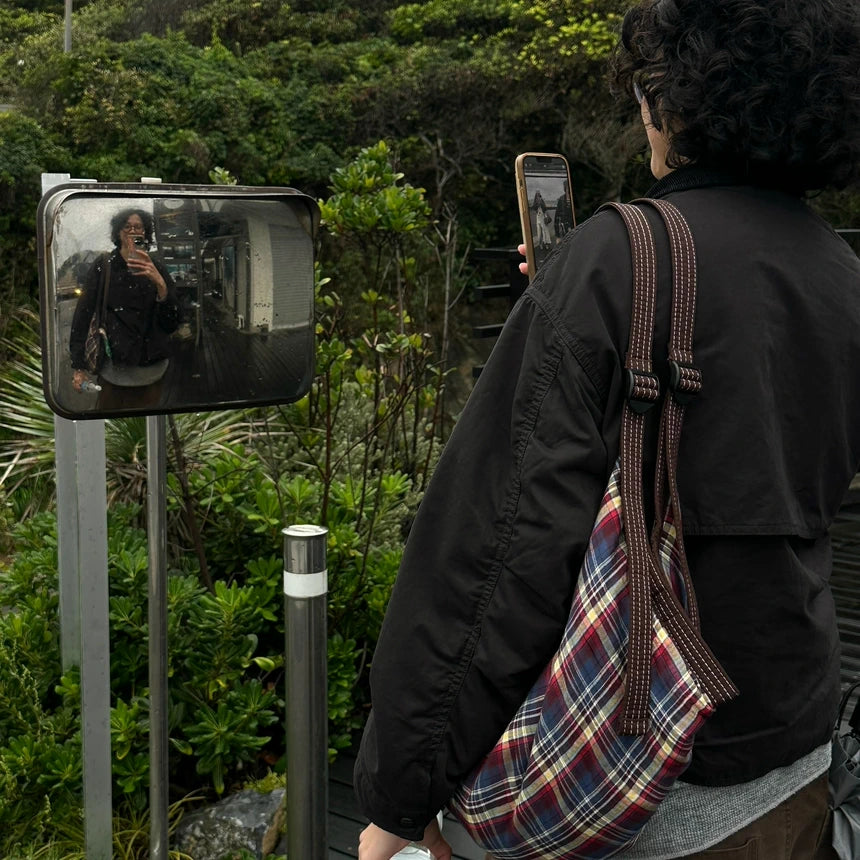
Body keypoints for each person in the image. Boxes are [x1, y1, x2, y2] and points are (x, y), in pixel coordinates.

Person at [354, 0, 860, 857]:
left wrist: (399, 794)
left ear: (680, 100)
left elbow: (492, 558)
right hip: (797, 750)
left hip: (631, 778)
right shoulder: (839, 269)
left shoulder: (616, 259)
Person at [69, 208, 179, 409]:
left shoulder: (156, 267)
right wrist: (78, 365)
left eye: (138, 227)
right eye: (127, 226)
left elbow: (172, 323)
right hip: (114, 367)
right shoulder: (104, 266)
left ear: (145, 233)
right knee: (110, 419)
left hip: (151, 367)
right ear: (118, 232)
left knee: (149, 422)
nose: (133, 231)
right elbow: (83, 313)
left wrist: (161, 285)